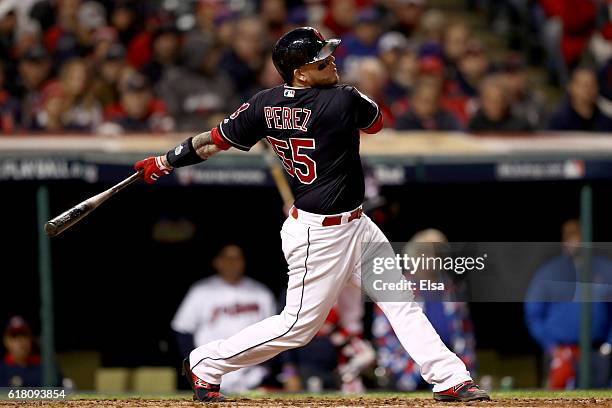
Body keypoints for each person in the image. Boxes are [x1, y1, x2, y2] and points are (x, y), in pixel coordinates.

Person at [134, 27, 489, 403]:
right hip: (319, 235)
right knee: (297, 327)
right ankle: (207, 362)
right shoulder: (342, 100)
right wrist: (345, 91)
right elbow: (376, 121)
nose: (331, 60)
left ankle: (449, 378)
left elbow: (213, 141)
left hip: (356, 225)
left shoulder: (264, 104)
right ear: (301, 72)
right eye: (322, 59)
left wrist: (166, 160)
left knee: (401, 301)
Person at [373, 229, 476, 391]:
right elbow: (384, 336)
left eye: (439, 251)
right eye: (427, 251)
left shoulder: (452, 289)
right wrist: (408, 371)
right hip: (408, 374)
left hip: (450, 371)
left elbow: (465, 335)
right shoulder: (397, 287)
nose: (434, 257)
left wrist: (465, 371)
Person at [171, 244, 276, 393]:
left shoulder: (261, 293)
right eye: (227, 258)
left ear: (244, 262)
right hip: (210, 372)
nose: (232, 263)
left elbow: (273, 333)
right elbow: (182, 330)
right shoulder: (201, 291)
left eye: (237, 258)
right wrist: (195, 367)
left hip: (251, 375)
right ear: (217, 262)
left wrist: (264, 368)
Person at [525, 219, 612, 389]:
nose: (574, 242)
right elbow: (533, 314)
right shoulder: (548, 272)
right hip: (562, 354)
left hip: (599, 353)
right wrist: (551, 345)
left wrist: (609, 345)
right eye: (569, 237)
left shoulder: (606, 270)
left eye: (577, 236)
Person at [0, 316, 60, 387]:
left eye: (24, 335)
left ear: (31, 338)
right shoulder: (2, 371)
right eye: (14, 336)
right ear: (6, 341)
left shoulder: (46, 367)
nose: (21, 341)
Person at [548, 67, 612, 132]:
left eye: (592, 84)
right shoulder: (559, 122)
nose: (589, 89)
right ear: (571, 87)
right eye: (584, 85)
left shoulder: (607, 122)